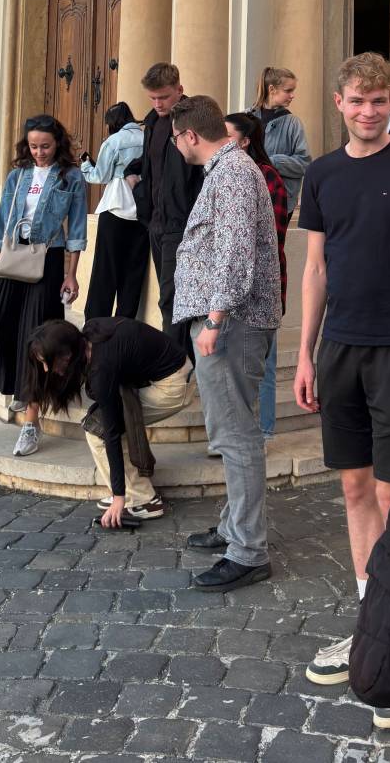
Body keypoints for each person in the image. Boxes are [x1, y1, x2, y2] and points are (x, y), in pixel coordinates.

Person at [295, 51, 390, 731]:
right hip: (339, 350)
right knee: (355, 490)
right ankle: (370, 621)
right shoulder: (322, 174)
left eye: (380, 100)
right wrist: (303, 352)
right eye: (358, 101)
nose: (369, 111)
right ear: (338, 102)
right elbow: (315, 269)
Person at [170, 95, 281, 592]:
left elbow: (234, 250)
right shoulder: (229, 168)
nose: (175, 147)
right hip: (228, 318)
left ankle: (248, 550)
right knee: (230, 433)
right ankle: (235, 526)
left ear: (190, 135)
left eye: (175, 138)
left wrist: (215, 318)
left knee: (236, 437)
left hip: (231, 322)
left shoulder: (233, 172)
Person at [0, 114, 87, 458]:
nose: (39, 152)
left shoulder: (70, 178)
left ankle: (30, 424)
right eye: (34, 146)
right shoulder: (17, 176)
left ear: (58, 144)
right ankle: (19, 387)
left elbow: (77, 228)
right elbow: (2, 222)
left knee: (39, 342)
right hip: (12, 259)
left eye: (46, 146)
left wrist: (71, 273)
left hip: (48, 260)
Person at [22, 318, 195, 524]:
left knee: (98, 431)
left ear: (66, 355)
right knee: (103, 421)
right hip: (173, 371)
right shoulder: (91, 335)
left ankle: (143, 501)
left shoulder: (101, 369)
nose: (46, 370)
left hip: (174, 386)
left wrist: (119, 498)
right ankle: (131, 492)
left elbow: (111, 433)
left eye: (47, 362)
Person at [226, 113, 289, 440]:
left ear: (246, 140)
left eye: (228, 136)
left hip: (262, 287)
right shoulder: (226, 173)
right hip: (230, 288)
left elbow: (269, 238)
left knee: (262, 364)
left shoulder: (267, 177)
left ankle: (262, 432)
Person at [135, 63, 204, 355]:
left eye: (163, 97)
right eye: (152, 98)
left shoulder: (195, 121)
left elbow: (202, 171)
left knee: (173, 297)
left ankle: (175, 366)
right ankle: (178, 362)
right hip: (156, 222)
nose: (157, 103)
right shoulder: (152, 121)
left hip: (182, 223)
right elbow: (150, 165)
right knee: (168, 296)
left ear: (179, 89)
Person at [80, 102, 150, 321]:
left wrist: (85, 165)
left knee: (105, 270)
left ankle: (95, 323)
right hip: (142, 209)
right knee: (134, 271)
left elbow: (99, 176)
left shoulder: (113, 141)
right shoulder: (148, 139)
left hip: (115, 207)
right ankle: (124, 324)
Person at [248, 66, 311, 216]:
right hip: (248, 196)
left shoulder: (293, 123)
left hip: (280, 199)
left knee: (276, 240)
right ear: (272, 89)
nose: (292, 95)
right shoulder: (246, 118)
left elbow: (305, 163)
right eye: (288, 90)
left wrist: (272, 162)